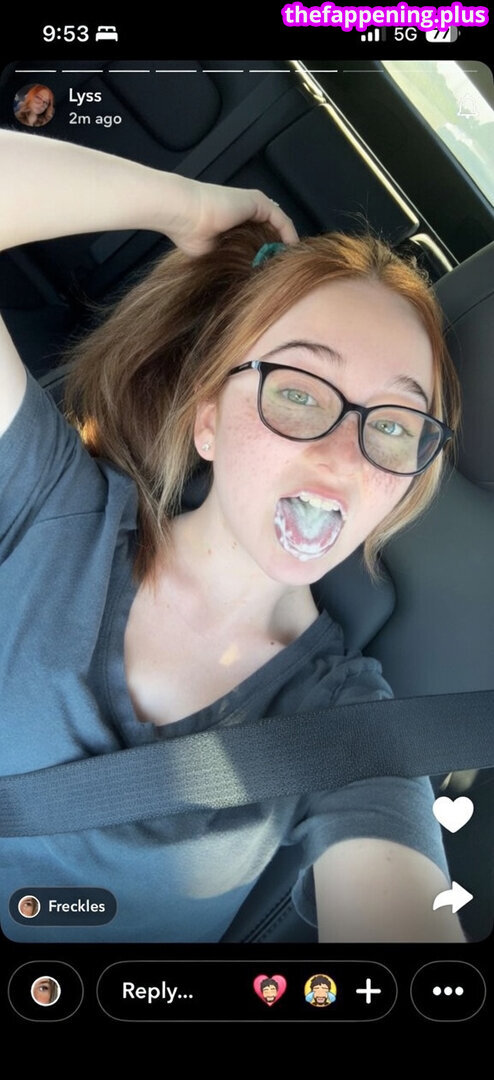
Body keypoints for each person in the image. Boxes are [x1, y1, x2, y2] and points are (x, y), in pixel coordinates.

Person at [0, 130, 464, 944]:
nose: (343, 454)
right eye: (298, 390)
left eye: (394, 424)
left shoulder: (345, 729)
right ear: (207, 417)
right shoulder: (53, 502)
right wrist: (188, 206)